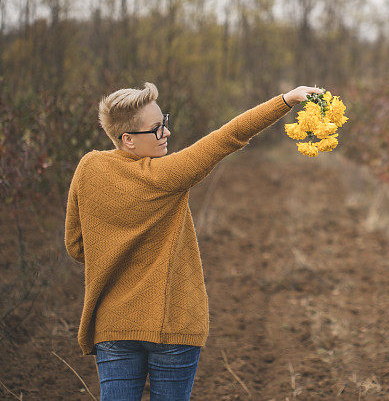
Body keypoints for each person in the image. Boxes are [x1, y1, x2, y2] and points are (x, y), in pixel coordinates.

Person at [64, 82, 323, 400]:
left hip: (114, 325)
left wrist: (117, 248)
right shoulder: (165, 176)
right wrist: (286, 100)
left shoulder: (88, 169)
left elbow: (76, 246)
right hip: (173, 325)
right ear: (128, 139)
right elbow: (228, 137)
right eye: (157, 130)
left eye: (165, 123)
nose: (167, 134)